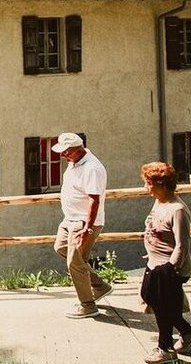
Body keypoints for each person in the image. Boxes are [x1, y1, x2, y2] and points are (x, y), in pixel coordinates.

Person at [140, 161, 191, 362]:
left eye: (149, 183)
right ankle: (188, 332)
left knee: (164, 308)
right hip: (155, 263)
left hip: (171, 268)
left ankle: (165, 348)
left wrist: (169, 270)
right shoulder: (159, 201)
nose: (146, 188)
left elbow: (182, 246)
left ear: (161, 184)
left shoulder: (178, 210)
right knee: (152, 299)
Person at [51, 131, 113, 319]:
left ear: (79, 149)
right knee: (60, 247)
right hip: (70, 219)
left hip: (83, 222)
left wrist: (87, 227)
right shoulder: (74, 162)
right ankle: (99, 285)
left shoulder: (92, 168)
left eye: (67, 152)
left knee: (75, 262)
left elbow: (94, 200)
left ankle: (87, 305)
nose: (63, 156)